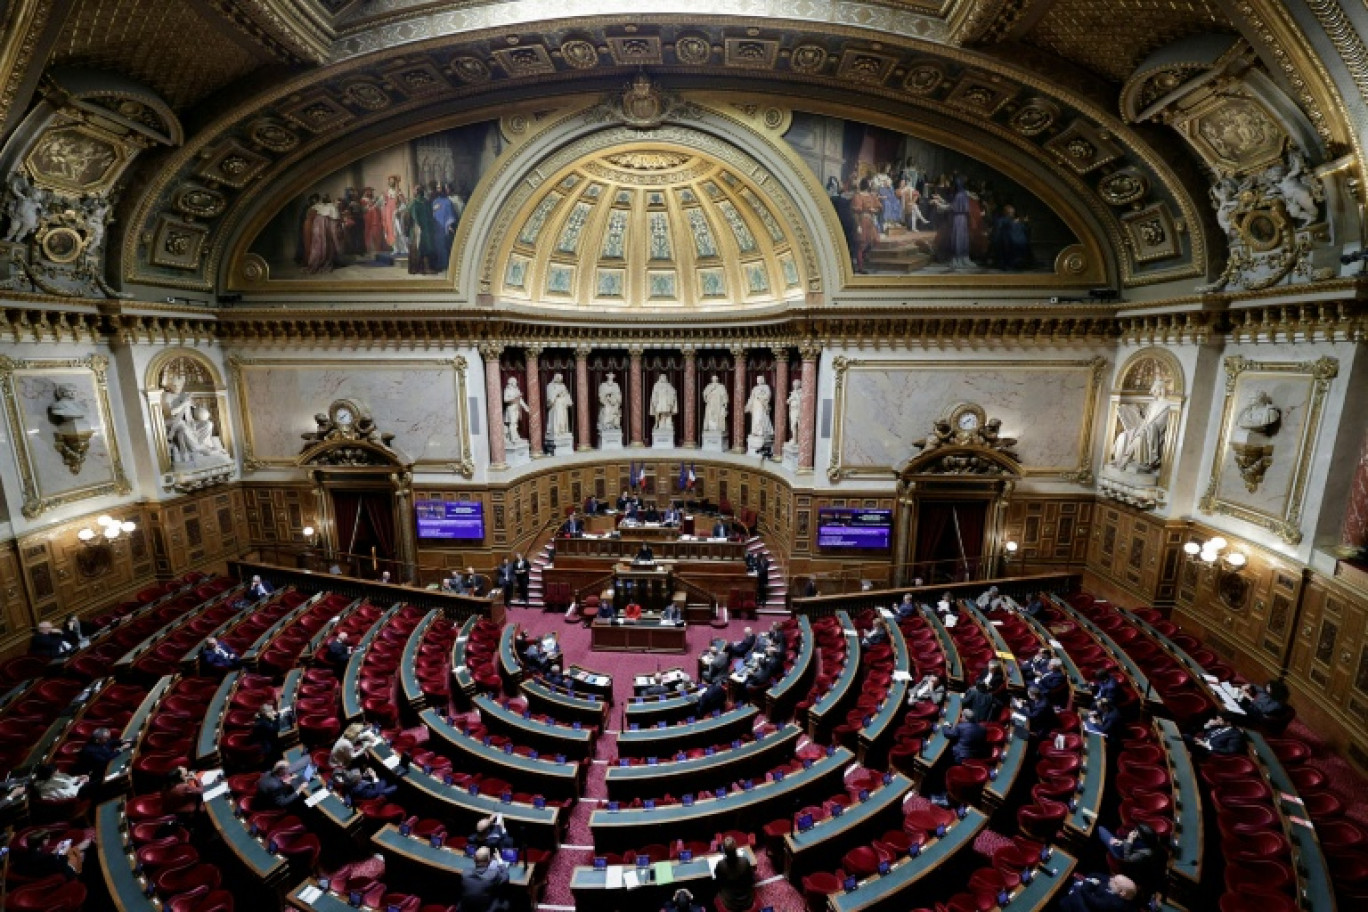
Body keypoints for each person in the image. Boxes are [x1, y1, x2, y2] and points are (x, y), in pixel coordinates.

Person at [1097, 823, 1164, 895]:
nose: (1132, 832)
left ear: (1141, 837)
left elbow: (1127, 859)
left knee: (1100, 829)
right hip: (1123, 848)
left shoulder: (1143, 854)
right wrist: (1122, 842)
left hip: (1121, 857)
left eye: (1135, 832)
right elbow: (1134, 846)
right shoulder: (1145, 843)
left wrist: (1129, 840)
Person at [460, 846, 510, 912]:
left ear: (474, 859)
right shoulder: (493, 875)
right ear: (490, 860)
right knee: (506, 903)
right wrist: (499, 860)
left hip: (466, 908)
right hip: (485, 909)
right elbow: (506, 877)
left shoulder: (465, 873)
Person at [713, 835, 755, 912]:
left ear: (724, 851)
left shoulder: (721, 864)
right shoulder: (744, 861)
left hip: (730, 902)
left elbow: (718, 880)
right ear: (736, 848)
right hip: (746, 899)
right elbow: (751, 879)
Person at [1059, 873, 1139, 912]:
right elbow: (1096, 874)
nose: (1110, 879)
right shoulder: (1116, 887)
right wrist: (1090, 881)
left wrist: (1088, 884)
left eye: (1115, 881)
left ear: (1122, 893)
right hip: (1089, 889)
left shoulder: (1115, 904)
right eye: (1113, 877)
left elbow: (1089, 898)